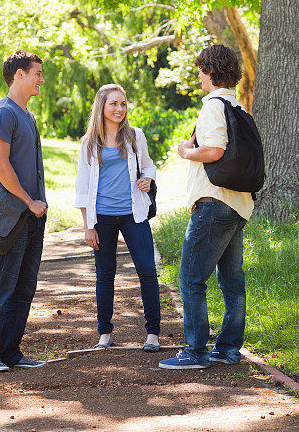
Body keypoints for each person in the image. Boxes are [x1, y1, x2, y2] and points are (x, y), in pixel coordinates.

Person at [159, 45, 253, 369]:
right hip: (238, 204)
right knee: (231, 281)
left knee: (190, 278)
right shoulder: (237, 105)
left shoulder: (213, 105)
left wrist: (186, 152)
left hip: (214, 203)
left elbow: (214, 151)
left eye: (201, 70)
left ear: (211, 73)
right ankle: (227, 349)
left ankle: (196, 351)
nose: (199, 76)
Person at [0, 50, 49, 373]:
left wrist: (38, 207)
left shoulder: (27, 115)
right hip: (12, 216)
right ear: (19, 74)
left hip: (33, 217)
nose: (41, 80)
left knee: (24, 285)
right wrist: (28, 202)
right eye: (37, 73)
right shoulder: (3, 113)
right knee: (3, 284)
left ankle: (10, 350)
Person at [74, 84, 161, 352]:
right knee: (104, 274)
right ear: (102, 107)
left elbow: (148, 165)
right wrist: (89, 226)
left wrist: (147, 178)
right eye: (113, 104)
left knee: (146, 270)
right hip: (103, 217)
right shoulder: (89, 143)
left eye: (123, 104)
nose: (119, 109)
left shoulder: (136, 136)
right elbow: (82, 186)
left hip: (133, 214)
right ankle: (104, 332)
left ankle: (153, 334)